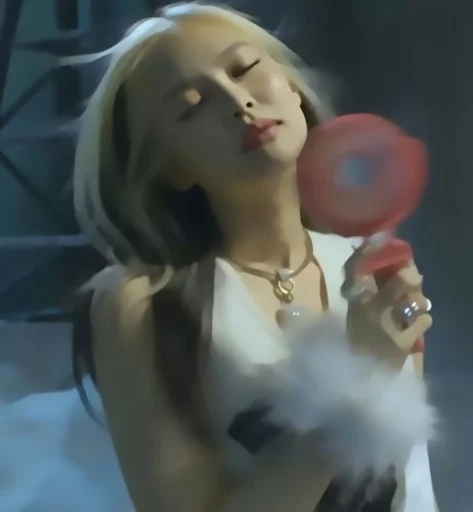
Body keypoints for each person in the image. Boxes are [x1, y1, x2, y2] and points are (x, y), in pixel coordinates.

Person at [71, 3, 439, 511]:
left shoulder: (372, 268)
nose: (238, 101)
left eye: (244, 67)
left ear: (291, 86)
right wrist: (359, 378)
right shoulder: (143, 305)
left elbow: (412, 480)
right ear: (171, 167)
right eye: (192, 106)